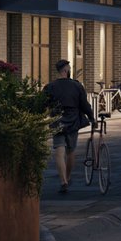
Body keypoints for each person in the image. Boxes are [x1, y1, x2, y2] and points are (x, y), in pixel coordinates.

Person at [43, 58, 93, 194]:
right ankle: (68, 176)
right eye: (69, 69)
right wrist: (92, 117)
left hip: (57, 120)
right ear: (65, 70)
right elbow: (84, 104)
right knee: (71, 151)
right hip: (72, 121)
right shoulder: (76, 86)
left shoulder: (50, 87)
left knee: (59, 152)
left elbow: (42, 104)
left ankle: (63, 181)